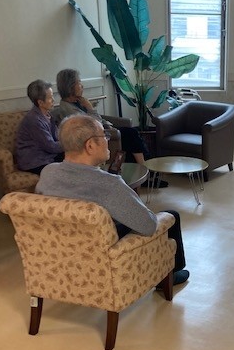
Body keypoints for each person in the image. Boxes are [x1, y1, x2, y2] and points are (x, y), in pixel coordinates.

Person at [35, 114, 189, 286]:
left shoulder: (48, 172)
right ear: (90, 145)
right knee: (170, 215)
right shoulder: (109, 184)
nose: (107, 140)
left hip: (60, 253)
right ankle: (169, 275)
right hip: (102, 254)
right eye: (104, 135)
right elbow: (148, 225)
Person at [15, 80, 64, 174]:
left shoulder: (47, 115)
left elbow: (57, 137)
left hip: (47, 154)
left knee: (76, 156)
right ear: (40, 102)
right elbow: (51, 147)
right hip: (34, 161)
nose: (53, 100)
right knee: (69, 165)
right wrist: (69, 144)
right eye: (50, 98)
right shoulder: (34, 120)